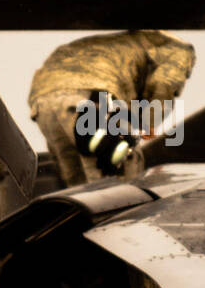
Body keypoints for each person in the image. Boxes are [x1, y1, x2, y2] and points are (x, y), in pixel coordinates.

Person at [28, 30, 196, 187]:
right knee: (118, 173)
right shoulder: (178, 48)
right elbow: (164, 84)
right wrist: (147, 124)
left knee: (75, 185)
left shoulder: (115, 43)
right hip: (93, 95)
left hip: (42, 99)